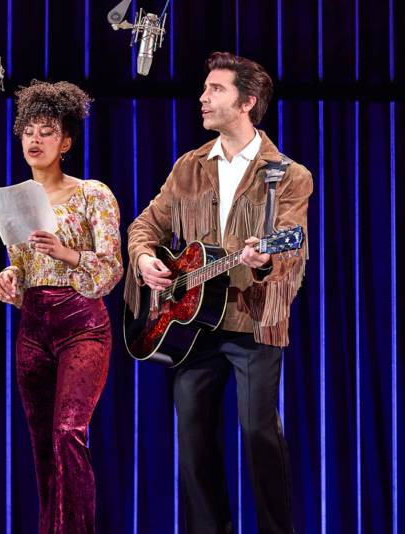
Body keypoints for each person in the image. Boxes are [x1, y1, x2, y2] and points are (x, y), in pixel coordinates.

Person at [125, 52, 313, 533]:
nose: (203, 98)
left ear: (247, 102)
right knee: (193, 441)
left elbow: (292, 242)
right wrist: (146, 258)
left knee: (257, 432)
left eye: (216, 90)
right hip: (190, 324)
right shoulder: (189, 166)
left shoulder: (288, 174)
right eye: (205, 89)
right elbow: (146, 224)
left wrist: (267, 258)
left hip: (253, 320)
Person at [0, 80, 123, 534]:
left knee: (69, 432)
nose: (35, 139)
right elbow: (22, 273)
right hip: (33, 328)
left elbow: (110, 272)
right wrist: (9, 280)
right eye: (28, 129)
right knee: (43, 445)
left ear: (65, 141)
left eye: (47, 131)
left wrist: (66, 252)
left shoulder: (93, 194)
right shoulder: (14, 200)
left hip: (81, 324)